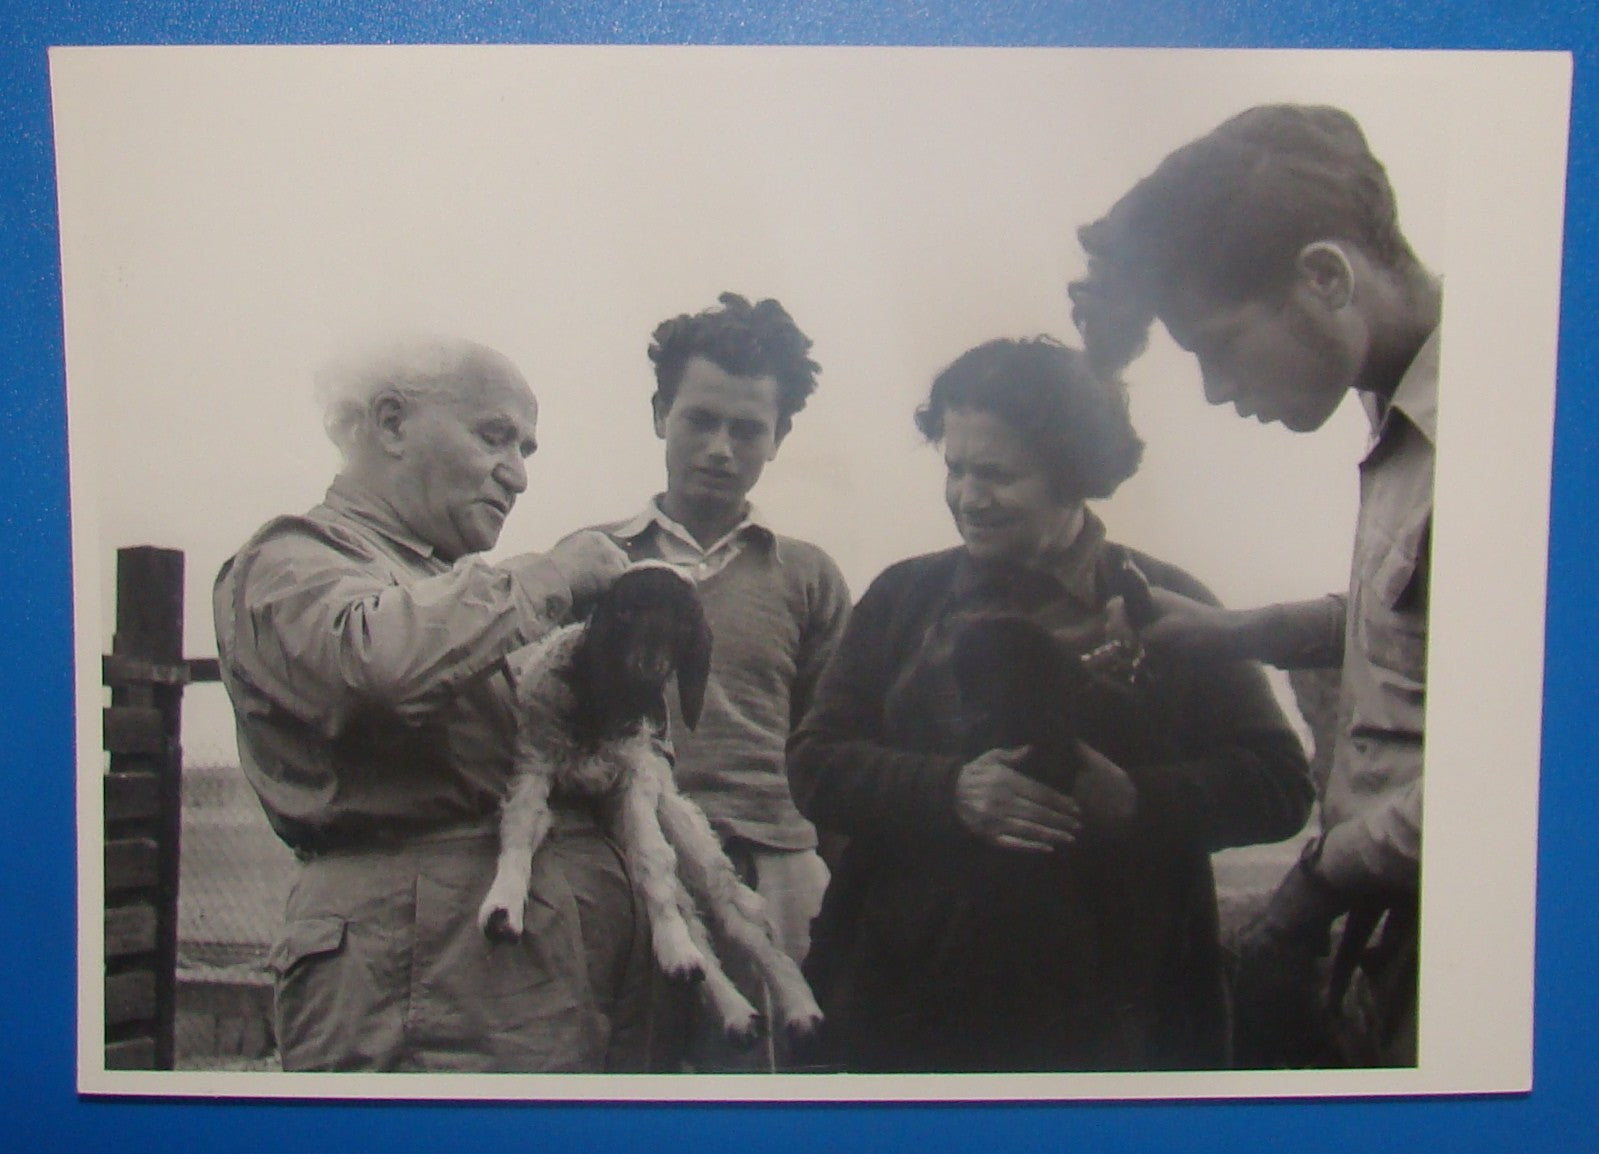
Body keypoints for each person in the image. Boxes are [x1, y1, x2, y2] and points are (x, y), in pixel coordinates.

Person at [786, 336, 1313, 1072]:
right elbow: (815, 762)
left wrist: (1135, 800)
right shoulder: (903, 598)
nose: (968, 497)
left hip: (1117, 1017)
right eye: (955, 468)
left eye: (997, 474)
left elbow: (1280, 785)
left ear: (1074, 475)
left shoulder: (1165, 601)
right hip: (905, 1006)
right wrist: (949, 791)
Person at [1070, 103, 1440, 1067]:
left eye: (1218, 345)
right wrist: (1235, 634)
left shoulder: (1535, 420)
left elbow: (1520, 766)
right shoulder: (1403, 413)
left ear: (1324, 275)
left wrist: (1308, 892)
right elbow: (1439, 631)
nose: (1215, 392)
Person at [212, 336, 650, 1073]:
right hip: (420, 972)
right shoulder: (293, 559)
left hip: (508, 971)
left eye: (527, 451)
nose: (516, 475)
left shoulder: (460, 591)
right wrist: (552, 578)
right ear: (389, 423)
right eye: (494, 436)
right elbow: (371, 668)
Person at [593, 293, 851, 1071]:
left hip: (775, 872)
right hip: (625, 865)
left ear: (779, 437)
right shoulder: (590, 563)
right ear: (658, 414)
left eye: (746, 429)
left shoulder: (806, 575)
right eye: (698, 420)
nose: (718, 448)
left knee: (771, 1084)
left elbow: (834, 752)